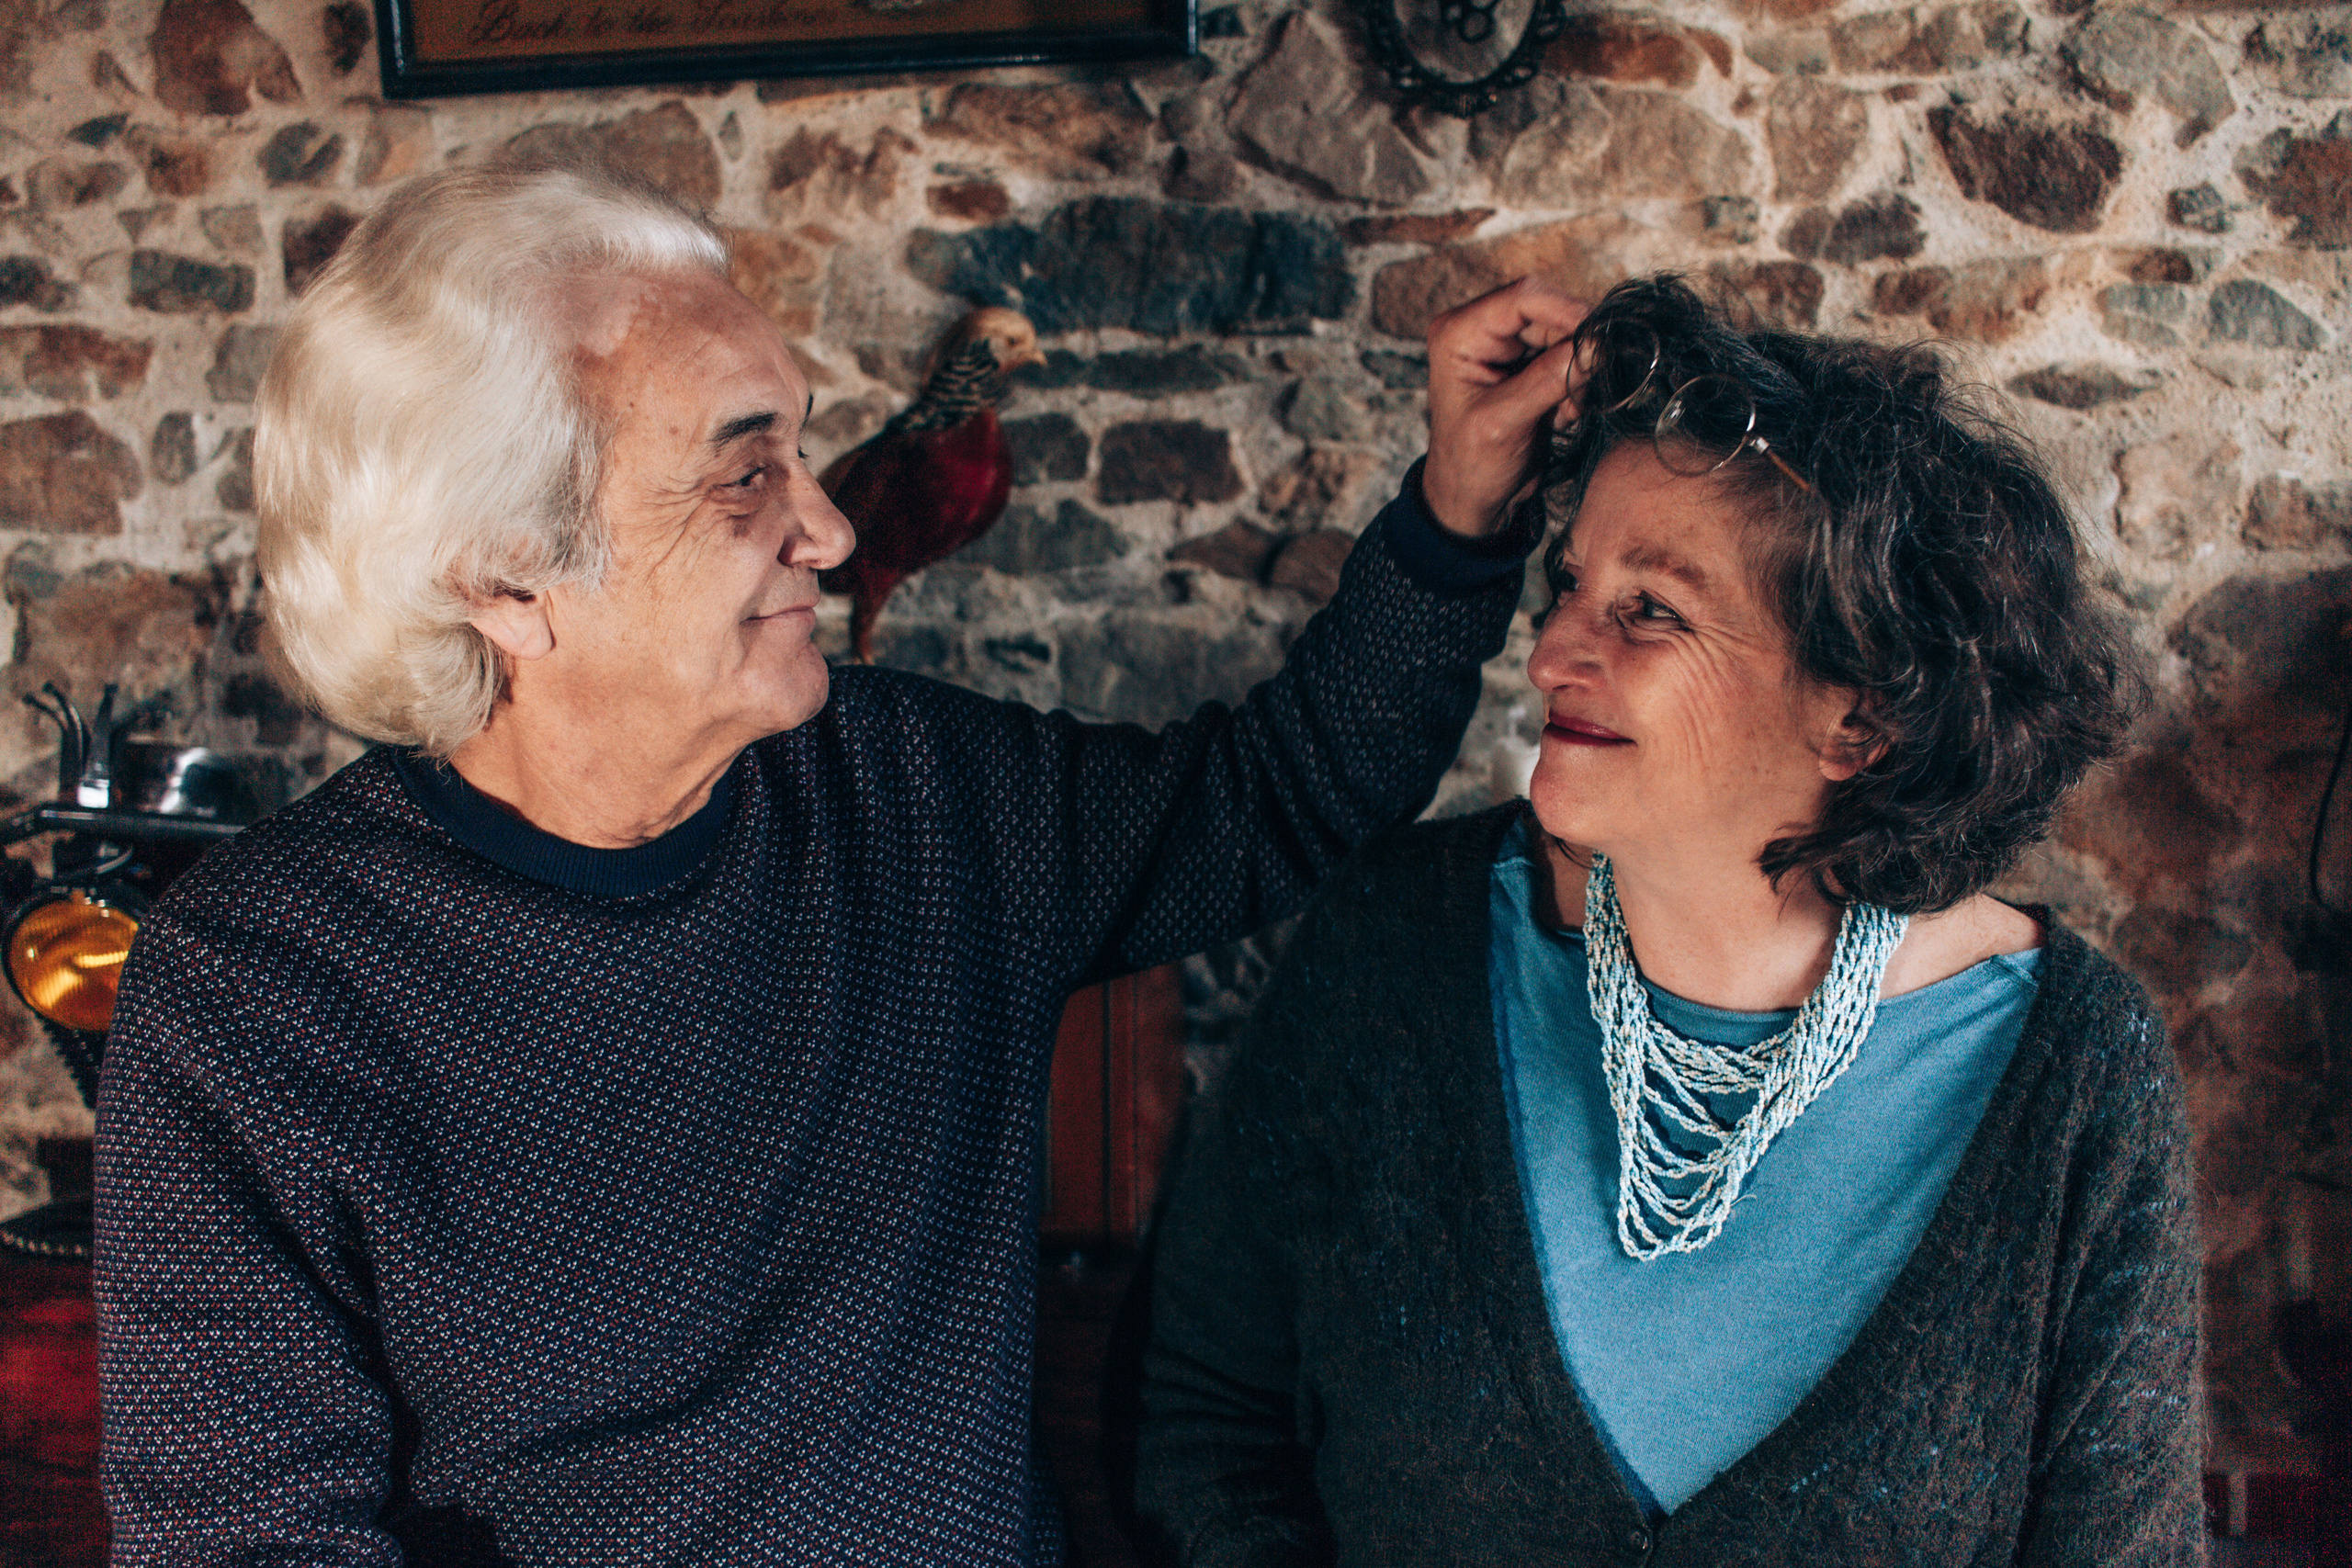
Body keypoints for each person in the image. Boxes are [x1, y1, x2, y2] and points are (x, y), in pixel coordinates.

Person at [90, 160, 1583, 1566]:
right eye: (743, 478)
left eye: (799, 451)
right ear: (504, 579)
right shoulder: (254, 1001)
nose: (824, 524)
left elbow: (1284, 794)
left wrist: (1461, 516)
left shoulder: (914, 792)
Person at [1134, 275, 2201, 1565]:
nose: (1548, 655)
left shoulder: (2078, 1075)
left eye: (1650, 609)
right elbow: (1204, 1422)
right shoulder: (1392, 945)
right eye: (1571, 587)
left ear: (1860, 714)